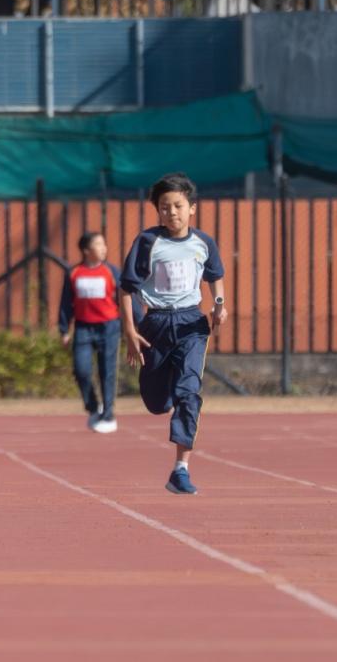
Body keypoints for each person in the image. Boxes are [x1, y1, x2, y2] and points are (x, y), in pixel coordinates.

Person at [120, 173, 227, 496]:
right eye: (164, 207)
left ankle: (181, 469)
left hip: (191, 324)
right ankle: (167, 394)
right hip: (154, 324)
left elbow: (215, 278)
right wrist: (130, 330)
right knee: (156, 403)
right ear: (157, 210)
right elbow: (126, 289)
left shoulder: (203, 243)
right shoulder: (148, 242)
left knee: (189, 392)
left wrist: (219, 306)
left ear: (191, 208)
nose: (172, 213)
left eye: (178, 206)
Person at [58, 232, 124, 434]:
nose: (103, 248)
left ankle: (109, 415)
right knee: (82, 370)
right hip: (83, 328)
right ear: (86, 250)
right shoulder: (74, 272)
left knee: (107, 371)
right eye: (98, 244)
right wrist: (64, 329)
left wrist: (137, 324)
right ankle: (94, 407)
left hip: (109, 327)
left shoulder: (111, 271)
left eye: (104, 244)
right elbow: (66, 303)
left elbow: (125, 299)